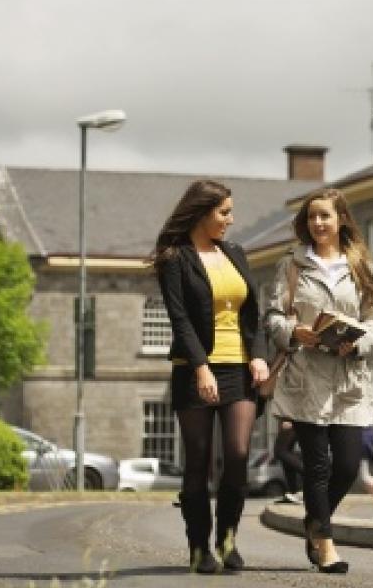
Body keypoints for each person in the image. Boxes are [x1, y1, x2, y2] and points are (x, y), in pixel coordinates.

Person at [265, 187, 373, 575]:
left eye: (325, 216)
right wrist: (293, 332)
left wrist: (359, 342)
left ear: (341, 220)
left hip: (349, 379)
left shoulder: (361, 264)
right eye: (312, 217)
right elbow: (273, 318)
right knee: (316, 466)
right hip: (305, 377)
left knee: (348, 465)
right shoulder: (292, 264)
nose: (318, 223)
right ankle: (327, 545)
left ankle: (314, 524)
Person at [152, 179, 269, 573]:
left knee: (236, 456)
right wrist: (201, 366)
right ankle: (199, 547)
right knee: (198, 461)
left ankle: (228, 539)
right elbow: (180, 318)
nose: (230, 221)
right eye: (224, 213)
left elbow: (251, 313)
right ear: (202, 212)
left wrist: (258, 357)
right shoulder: (175, 257)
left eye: (230, 212)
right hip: (194, 369)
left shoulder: (234, 253)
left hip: (239, 368)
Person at [272, 419, 303, 504]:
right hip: (293, 417)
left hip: (293, 416)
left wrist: (288, 419)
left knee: (280, 451)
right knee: (285, 451)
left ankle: (313, 476)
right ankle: (294, 492)